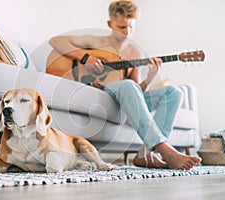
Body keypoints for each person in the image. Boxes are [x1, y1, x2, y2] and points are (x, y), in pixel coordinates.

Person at [49, 0, 201, 170]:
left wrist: (149, 78)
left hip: (126, 98)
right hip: (103, 94)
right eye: (122, 27)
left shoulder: (133, 52)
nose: (127, 32)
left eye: (131, 27)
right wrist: (85, 58)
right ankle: (164, 149)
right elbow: (56, 41)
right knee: (127, 85)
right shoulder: (95, 42)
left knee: (174, 92)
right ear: (110, 24)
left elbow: (138, 91)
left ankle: (145, 154)